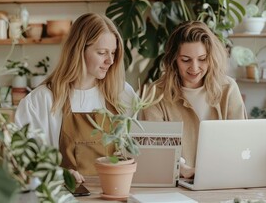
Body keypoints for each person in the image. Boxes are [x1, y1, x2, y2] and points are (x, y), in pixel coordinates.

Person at [15, 13, 136, 183]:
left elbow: (142, 147)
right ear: (79, 50)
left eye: (114, 53)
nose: (110, 61)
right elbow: (21, 160)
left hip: (116, 193)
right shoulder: (42, 100)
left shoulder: (122, 93)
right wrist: (58, 174)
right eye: (102, 53)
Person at [140, 21, 247, 178]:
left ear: (211, 57)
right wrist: (183, 170)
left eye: (202, 59)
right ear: (174, 59)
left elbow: (242, 142)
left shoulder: (228, 88)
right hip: (175, 184)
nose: (195, 67)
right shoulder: (156, 94)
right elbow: (154, 150)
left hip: (223, 180)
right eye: (185, 60)